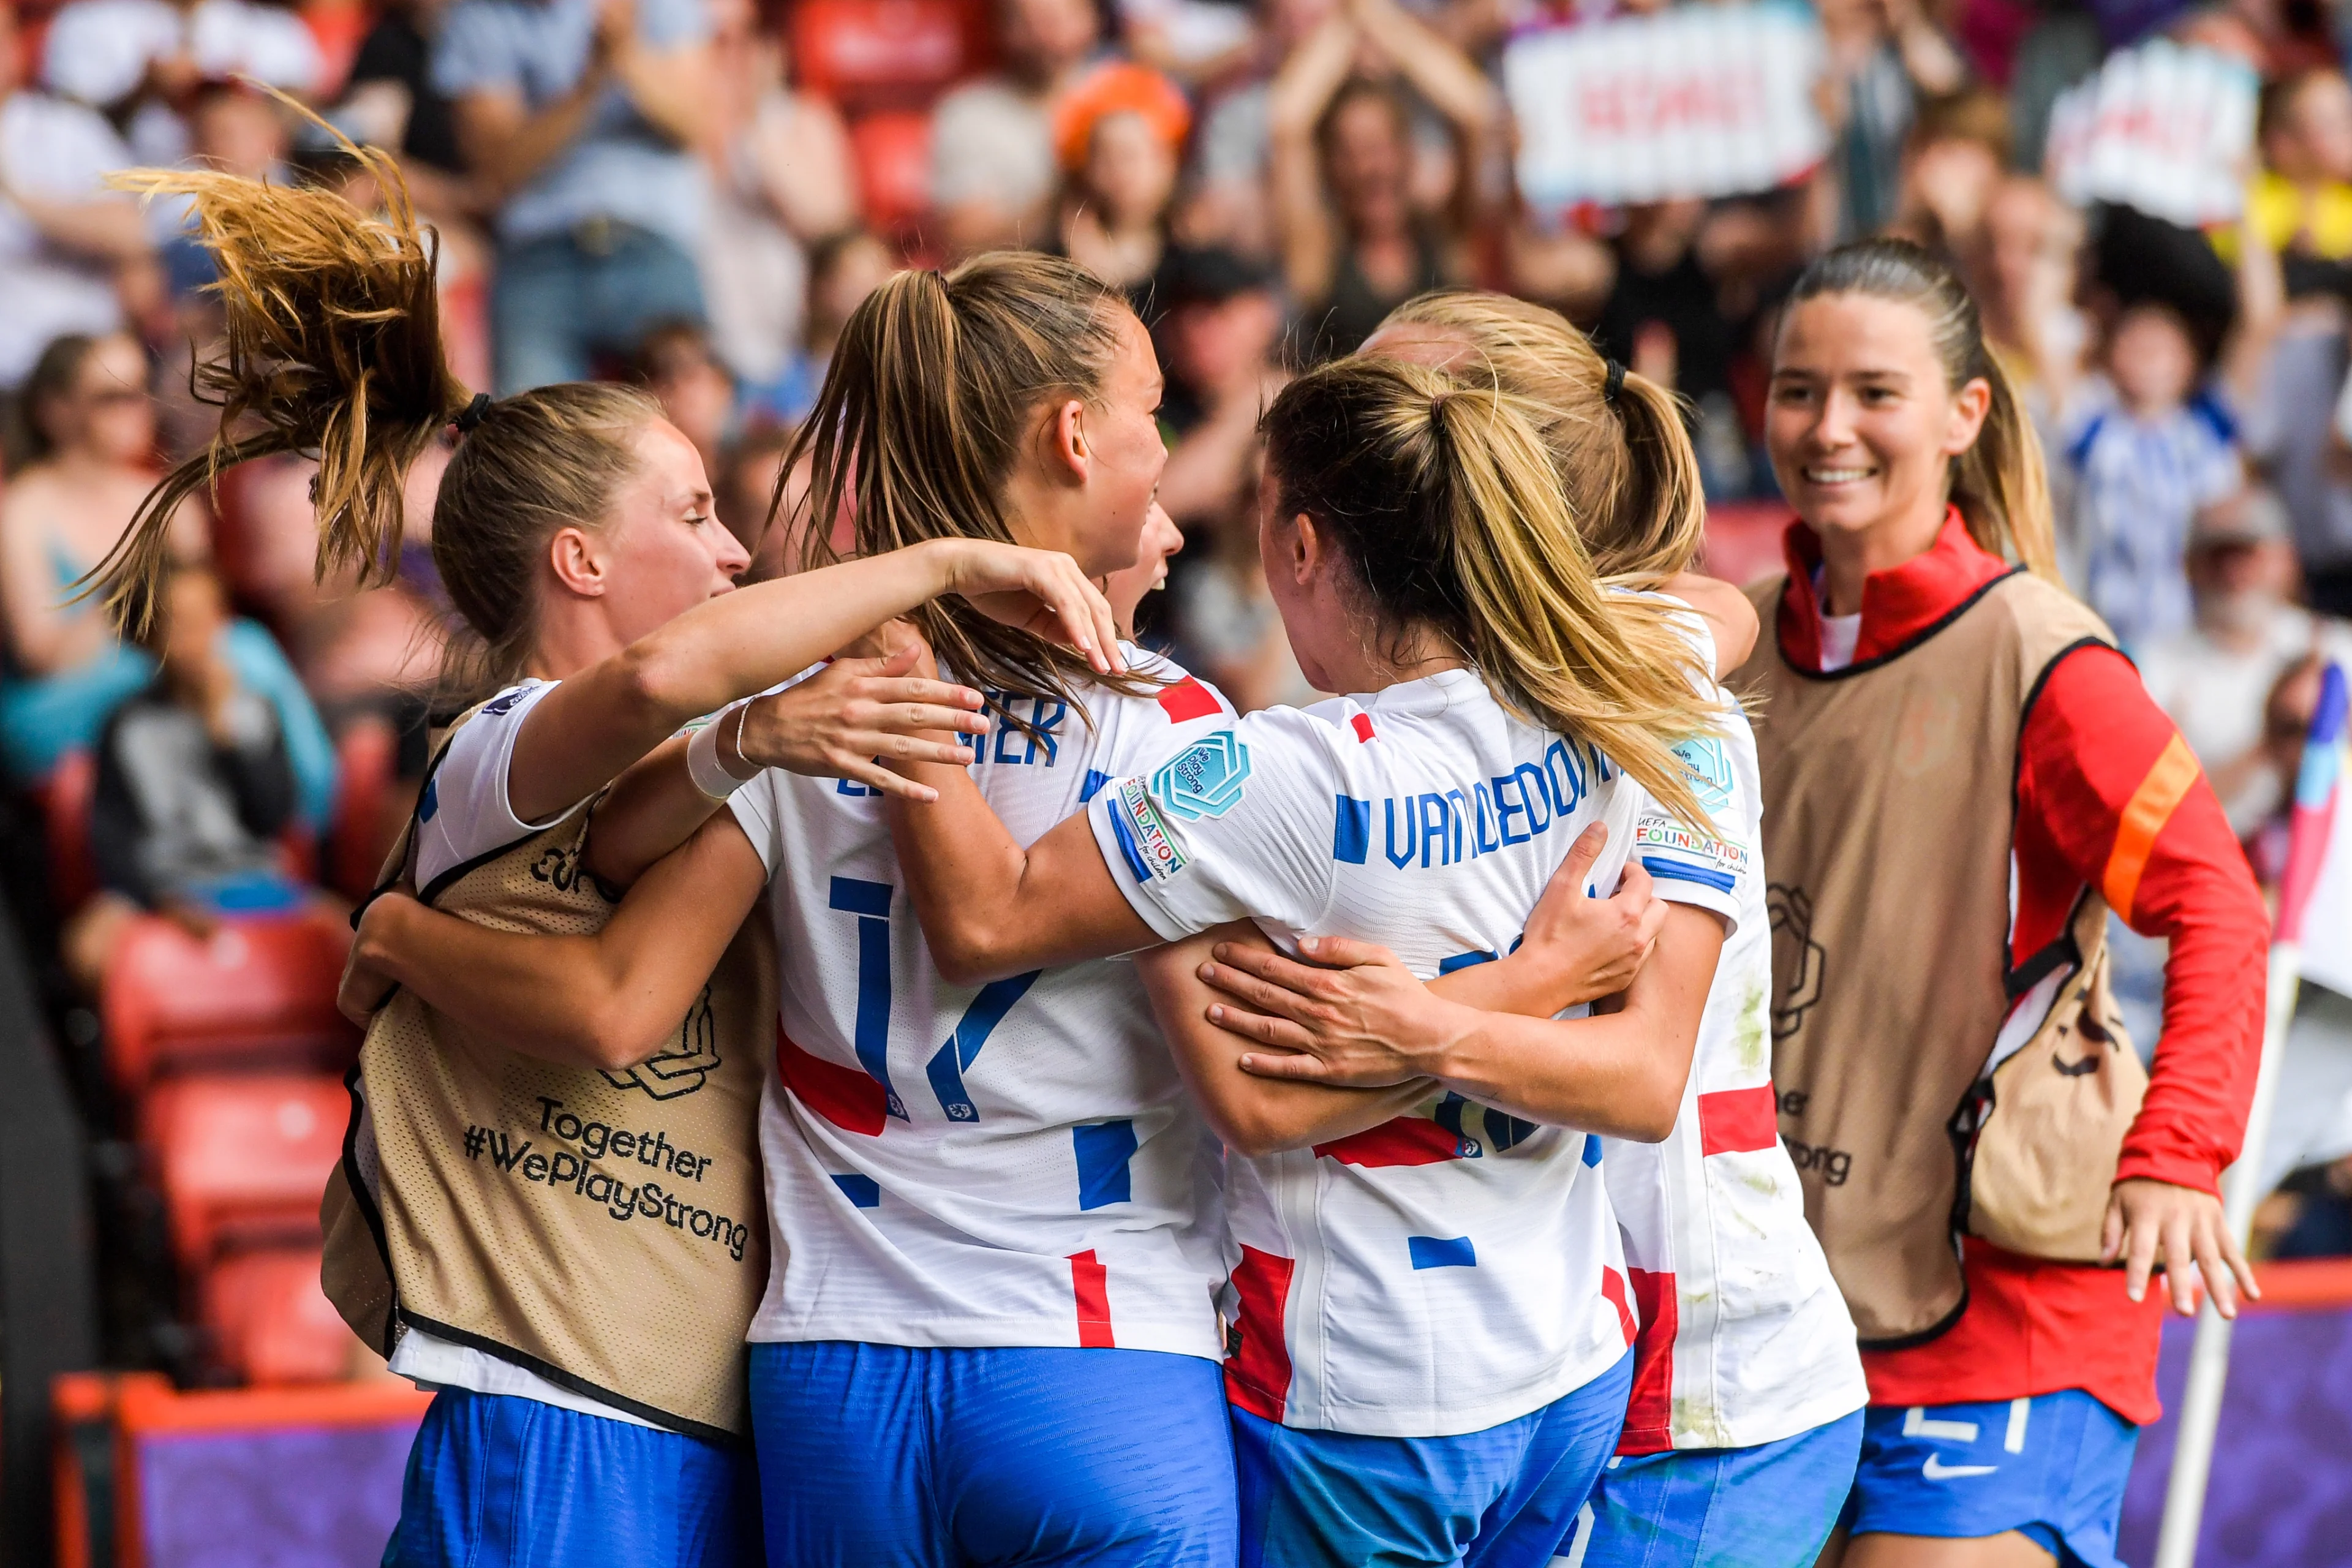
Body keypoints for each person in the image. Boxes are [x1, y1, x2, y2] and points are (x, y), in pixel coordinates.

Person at [104, 146, 1120, 1568]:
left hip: (724, 1406)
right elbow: (649, 725)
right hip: (563, 1412)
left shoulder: (744, 748)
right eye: (693, 514)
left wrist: (404, 933)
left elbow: (676, 780)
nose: (731, 556)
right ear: (580, 562)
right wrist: (948, 561)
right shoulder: (492, 748)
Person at [862, 347, 1754, 1567]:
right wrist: (1535, 978)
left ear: (1299, 548)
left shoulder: (1278, 772)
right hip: (1569, 1366)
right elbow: (1720, 611)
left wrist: (898, 632)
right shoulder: (1617, 681)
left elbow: (985, 918)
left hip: (1365, 1396)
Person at [1732, 238, 2269, 1568]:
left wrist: (2178, 1154)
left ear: (1967, 414)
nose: (1829, 427)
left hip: (2013, 1308)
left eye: (1875, 391)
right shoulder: (1734, 642)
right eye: (1800, 391)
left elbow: (2218, 906)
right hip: (1783, 1309)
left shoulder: (2046, 659)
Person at [1340, 290, 1867, 1568]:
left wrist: (1426, 1024)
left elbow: (1642, 1072)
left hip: (1707, 1384)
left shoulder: (1660, 700)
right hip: (1550, 1366)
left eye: (1388, 413)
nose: (1346, 438)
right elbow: (1703, 606)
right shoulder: (1441, 693)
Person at [0, 331, 330, 812]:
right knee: (243, 659)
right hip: (63, 698)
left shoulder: (165, 499)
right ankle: (305, 819)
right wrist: (129, 604)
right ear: (56, 409)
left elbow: (205, 616)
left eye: (143, 392)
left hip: (166, 671)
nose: (137, 409)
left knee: (246, 649)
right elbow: (40, 655)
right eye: (113, 397)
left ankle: (304, 816)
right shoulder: (25, 511)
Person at [433, 0, 718, 395]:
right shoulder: (479, 15)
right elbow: (498, 172)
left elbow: (694, 122)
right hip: (538, 257)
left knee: (695, 409)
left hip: (655, 243)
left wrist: (626, 52)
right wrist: (592, 79)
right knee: (530, 438)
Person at [64, 560, 309, 992]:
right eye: (180, 624)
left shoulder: (255, 711)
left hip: (254, 877)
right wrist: (162, 901)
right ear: (148, 635)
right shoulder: (126, 725)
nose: (198, 637)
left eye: (208, 619)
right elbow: (111, 839)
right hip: (162, 888)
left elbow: (273, 817)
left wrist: (225, 736)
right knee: (87, 948)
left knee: (350, 937)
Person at [1267, 0, 1496, 360]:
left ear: (1408, 152)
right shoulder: (1318, 251)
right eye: (1348, 151)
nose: (1367, 168)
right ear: (1328, 166)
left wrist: (1377, 16)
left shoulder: (1447, 236)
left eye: (1379, 146)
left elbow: (1475, 113)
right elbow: (1287, 123)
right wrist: (1347, 22)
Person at [0, 3, 148, 396]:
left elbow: (130, 233)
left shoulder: (66, 128)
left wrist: (19, 200)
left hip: (77, 374)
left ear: (16, 48)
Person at [929, 0, 1102, 254]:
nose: (1046, 36)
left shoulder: (1124, 93)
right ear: (1004, 28)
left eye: (1058, 18)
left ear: (1092, 18)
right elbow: (965, 243)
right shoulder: (969, 115)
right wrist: (1066, 192)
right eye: (1030, 23)